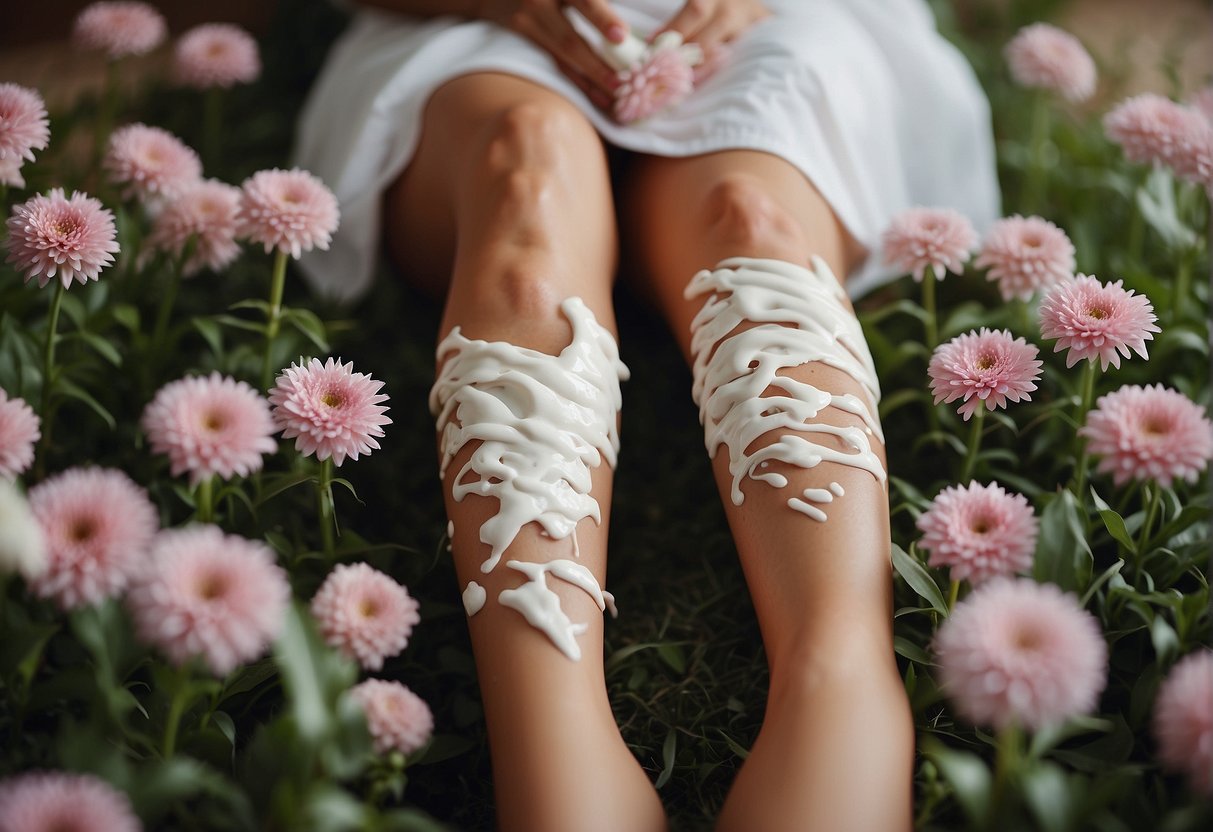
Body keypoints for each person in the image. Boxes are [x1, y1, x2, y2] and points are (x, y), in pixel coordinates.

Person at [294, 2, 999, 830]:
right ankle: (547, 731)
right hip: (471, 33)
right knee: (525, 176)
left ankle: (836, 674)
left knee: (750, 218)